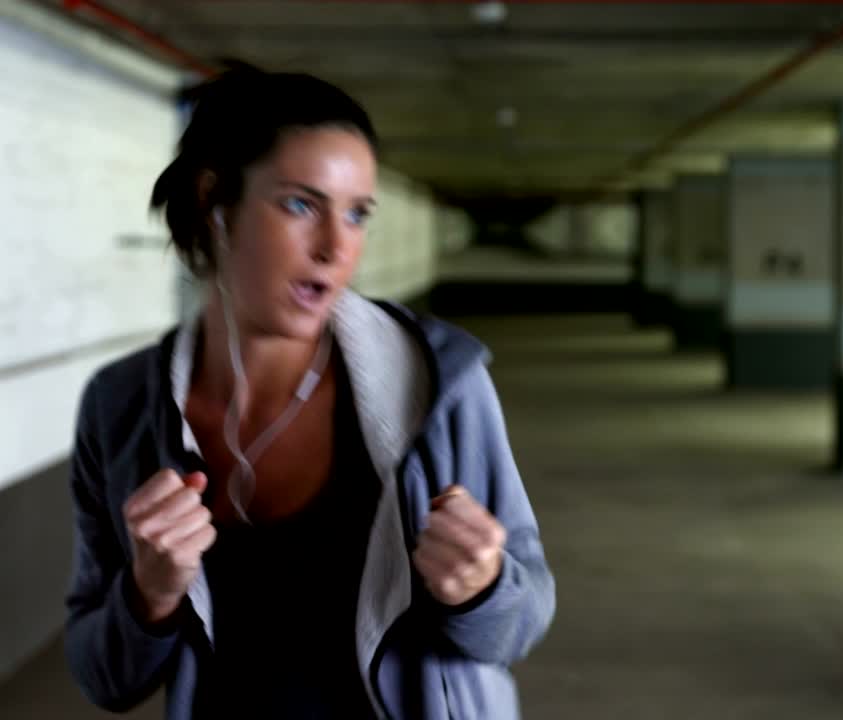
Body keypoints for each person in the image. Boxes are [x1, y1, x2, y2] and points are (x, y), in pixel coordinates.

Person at [63, 65, 555, 720]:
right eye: (301, 204)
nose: (334, 247)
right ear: (215, 201)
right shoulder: (120, 406)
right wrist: (147, 594)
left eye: (356, 215)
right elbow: (105, 677)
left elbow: (518, 627)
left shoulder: (436, 382)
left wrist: (481, 588)